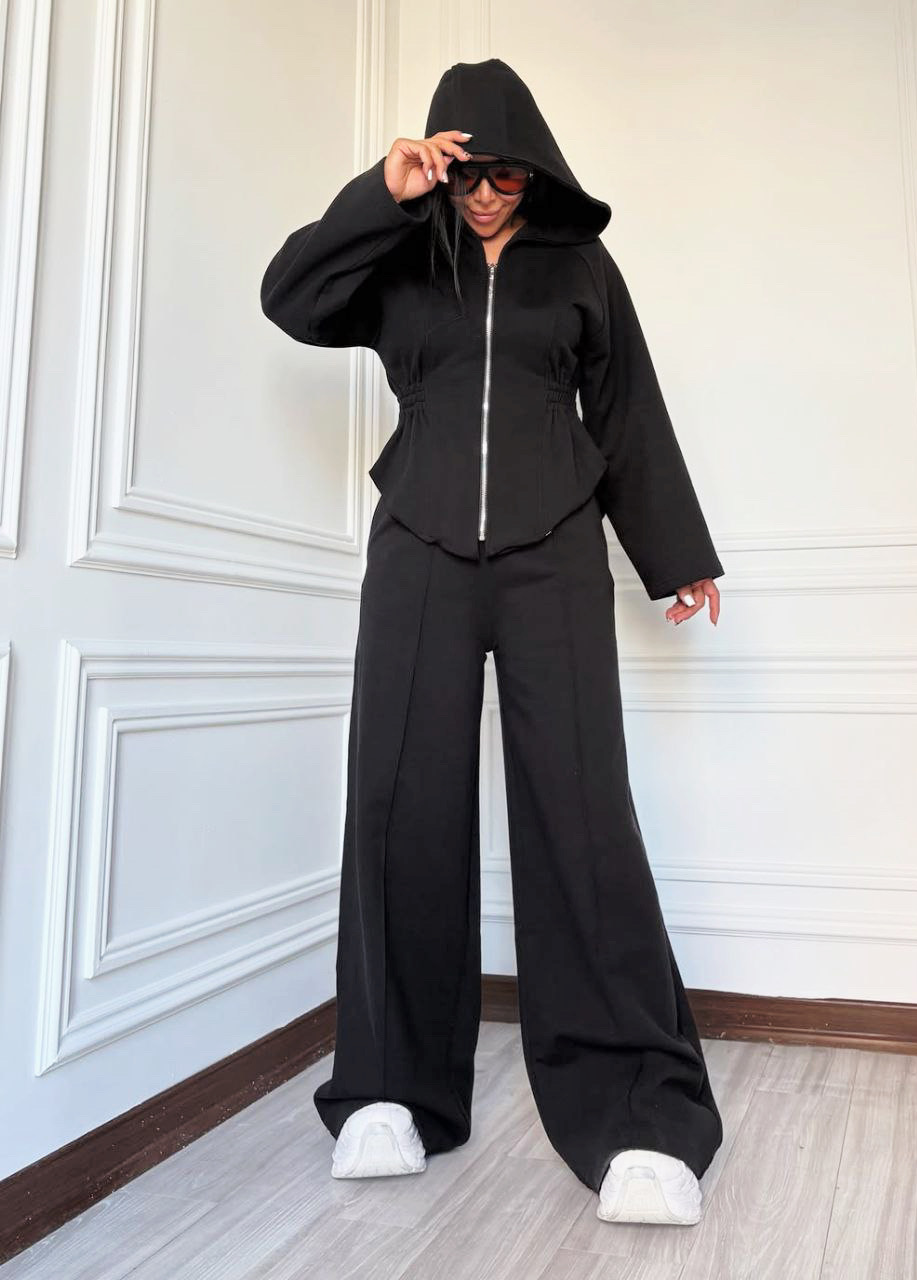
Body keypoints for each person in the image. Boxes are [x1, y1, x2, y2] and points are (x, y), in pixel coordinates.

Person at [260, 57, 725, 1227]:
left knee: (581, 810)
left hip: (553, 549)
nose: (482, 196)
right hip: (417, 547)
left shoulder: (581, 265)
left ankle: (637, 1112)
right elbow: (291, 296)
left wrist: (676, 553)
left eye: (503, 176)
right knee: (398, 803)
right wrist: (385, 190)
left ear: (537, 170)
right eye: (464, 175)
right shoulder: (399, 253)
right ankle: (390, 1090)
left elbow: (627, 408)